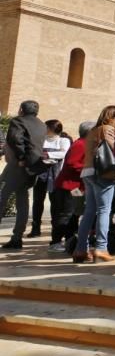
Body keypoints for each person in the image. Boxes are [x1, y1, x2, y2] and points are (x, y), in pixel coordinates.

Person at [73, 105, 115, 263]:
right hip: (103, 174)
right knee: (104, 211)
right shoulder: (107, 129)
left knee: (89, 212)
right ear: (111, 116)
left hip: (88, 172)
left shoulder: (93, 130)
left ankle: (80, 250)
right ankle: (101, 248)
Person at [0, 100, 47, 250]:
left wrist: (21, 158)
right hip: (32, 167)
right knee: (22, 201)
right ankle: (17, 237)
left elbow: (15, 139)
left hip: (18, 166)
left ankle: (16, 237)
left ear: (21, 109)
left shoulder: (18, 121)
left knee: (2, 196)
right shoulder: (41, 124)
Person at [50, 121, 93, 253]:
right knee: (65, 214)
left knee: (74, 214)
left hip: (77, 186)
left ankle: (70, 241)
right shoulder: (80, 144)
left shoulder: (86, 144)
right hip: (69, 186)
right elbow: (72, 164)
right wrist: (91, 170)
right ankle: (55, 242)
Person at [27, 119, 71, 238]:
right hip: (41, 173)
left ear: (51, 129)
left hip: (55, 174)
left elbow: (63, 153)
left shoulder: (63, 140)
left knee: (55, 202)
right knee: (37, 201)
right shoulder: (42, 140)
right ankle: (35, 228)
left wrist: (47, 154)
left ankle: (55, 229)